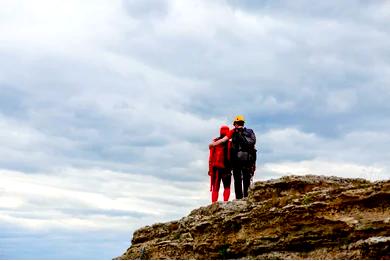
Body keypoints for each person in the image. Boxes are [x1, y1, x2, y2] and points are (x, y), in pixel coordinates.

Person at [209, 115, 256, 199]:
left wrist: (212, 144)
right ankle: (247, 197)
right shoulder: (250, 132)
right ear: (243, 123)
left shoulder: (233, 131)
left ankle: (239, 198)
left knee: (237, 179)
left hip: (236, 160)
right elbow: (253, 145)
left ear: (235, 124)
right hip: (247, 159)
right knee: (246, 179)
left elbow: (223, 140)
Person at [208, 125, 232, 203]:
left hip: (215, 168)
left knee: (215, 187)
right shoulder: (230, 143)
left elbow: (211, 157)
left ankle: (214, 203)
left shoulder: (215, 142)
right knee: (227, 187)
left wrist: (210, 169)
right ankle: (225, 202)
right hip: (226, 168)